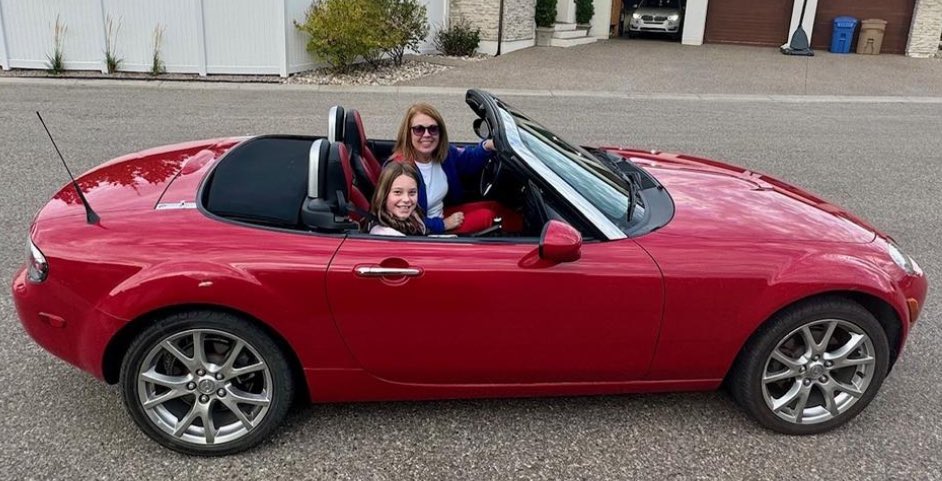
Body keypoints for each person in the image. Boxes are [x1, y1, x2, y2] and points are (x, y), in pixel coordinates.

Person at [389, 103, 520, 235]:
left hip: (442, 213)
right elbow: (400, 216)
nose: (427, 134)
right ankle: (527, 243)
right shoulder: (401, 169)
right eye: (419, 129)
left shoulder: (443, 155)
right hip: (426, 229)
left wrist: (488, 146)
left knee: (494, 206)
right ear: (408, 133)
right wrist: (442, 225)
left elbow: (469, 160)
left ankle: (531, 231)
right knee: (488, 217)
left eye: (433, 129)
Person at [365, 162, 427, 237]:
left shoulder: (415, 220)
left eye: (412, 192)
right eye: (397, 192)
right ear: (384, 195)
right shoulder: (385, 235)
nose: (406, 199)